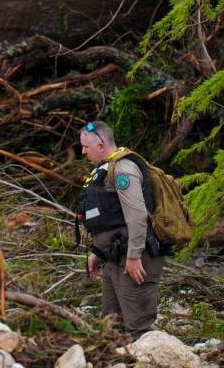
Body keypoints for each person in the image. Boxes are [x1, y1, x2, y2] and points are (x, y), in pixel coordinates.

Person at [77, 120, 165, 334]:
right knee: (111, 325)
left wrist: (134, 256)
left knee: (137, 326)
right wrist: (98, 252)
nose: (83, 152)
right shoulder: (104, 170)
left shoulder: (123, 169)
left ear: (101, 145)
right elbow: (111, 219)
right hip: (114, 257)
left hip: (134, 258)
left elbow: (137, 215)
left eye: (86, 147)